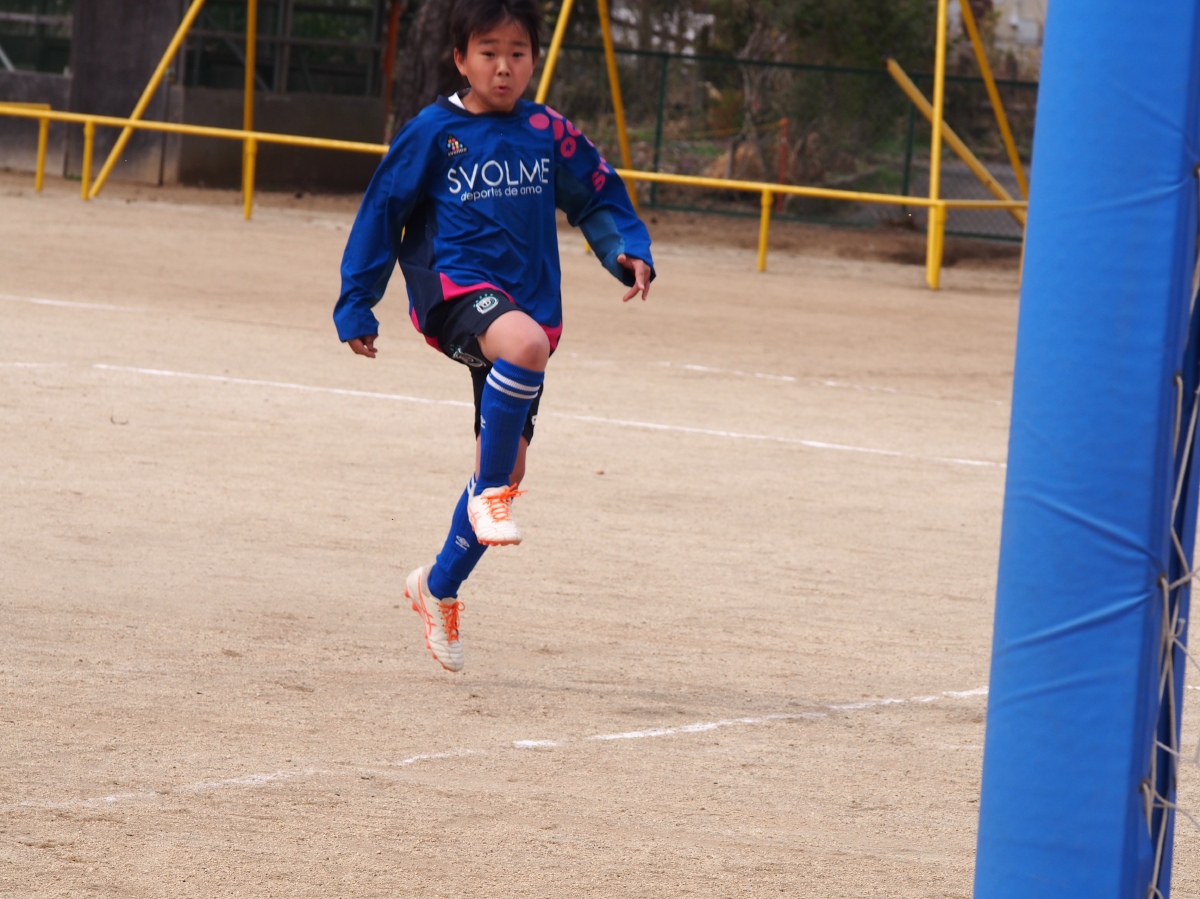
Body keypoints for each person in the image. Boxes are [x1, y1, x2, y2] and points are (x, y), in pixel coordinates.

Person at [333, 0, 655, 673]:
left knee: (509, 468)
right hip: (453, 290)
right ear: (461, 59)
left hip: (526, 304)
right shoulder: (434, 132)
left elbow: (597, 193)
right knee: (524, 353)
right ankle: (486, 497)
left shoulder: (547, 131)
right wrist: (358, 301)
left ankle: (437, 585)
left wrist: (625, 248)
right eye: (488, 53)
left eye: (517, 53)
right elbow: (382, 211)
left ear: (533, 59)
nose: (503, 67)